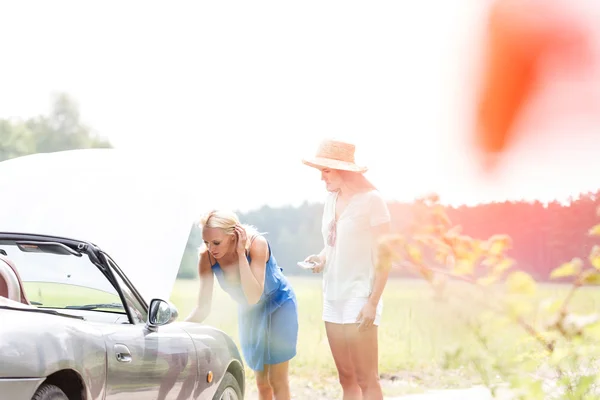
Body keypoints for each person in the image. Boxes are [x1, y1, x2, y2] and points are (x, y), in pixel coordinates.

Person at [302, 139, 392, 400]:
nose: (321, 178)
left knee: (367, 378)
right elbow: (332, 245)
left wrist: (372, 303)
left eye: (326, 171)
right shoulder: (331, 199)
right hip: (332, 297)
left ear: (343, 170)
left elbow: (385, 257)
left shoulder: (373, 201)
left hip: (360, 297)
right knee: (347, 378)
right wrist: (320, 259)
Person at [185, 210, 298, 400]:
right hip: (250, 313)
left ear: (233, 236)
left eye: (216, 242)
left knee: (277, 380)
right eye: (206, 242)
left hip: (279, 305)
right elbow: (202, 308)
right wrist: (178, 330)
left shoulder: (257, 245)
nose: (210, 248)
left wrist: (240, 255)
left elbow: (254, 295)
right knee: (262, 382)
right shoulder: (207, 258)